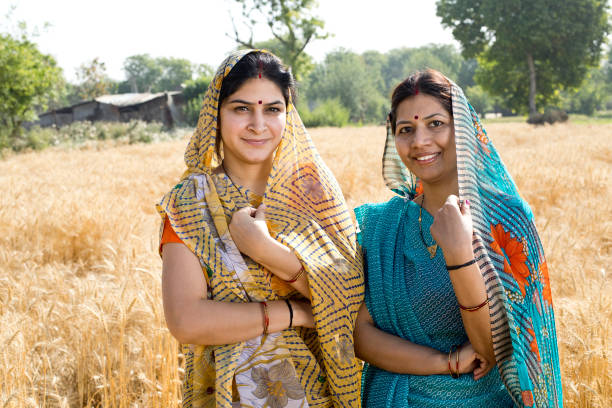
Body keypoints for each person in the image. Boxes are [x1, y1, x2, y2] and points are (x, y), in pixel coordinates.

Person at [157, 50, 364, 408]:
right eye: (241, 108)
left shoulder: (314, 193)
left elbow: (350, 298)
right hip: (227, 394)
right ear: (215, 116)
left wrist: (263, 249)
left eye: (272, 109)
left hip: (317, 391)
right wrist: (294, 313)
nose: (258, 124)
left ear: (288, 115)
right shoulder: (190, 202)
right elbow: (187, 320)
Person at [353, 69, 563, 407]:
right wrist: (444, 363)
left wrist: (459, 254)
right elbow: (360, 335)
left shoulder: (505, 220)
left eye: (435, 124)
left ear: (462, 128)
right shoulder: (383, 226)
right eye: (406, 130)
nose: (420, 141)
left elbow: (491, 349)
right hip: (392, 399)